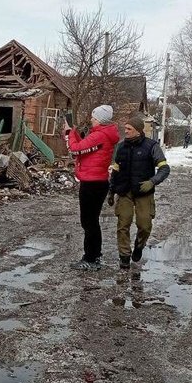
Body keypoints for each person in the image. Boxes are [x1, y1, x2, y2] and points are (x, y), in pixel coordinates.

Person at [108, 114, 170, 270]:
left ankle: (139, 246)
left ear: (138, 130)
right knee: (123, 224)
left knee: (144, 225)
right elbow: (115, 170)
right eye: (125, 128)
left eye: (129, 129)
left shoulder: (151, 146)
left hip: (144, 192)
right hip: (124, 192)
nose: (126, 131)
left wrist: (152, 182)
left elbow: (164, 168)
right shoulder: (121, 146)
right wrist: (111, 191)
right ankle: (124, 256)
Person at [64, 105, 121, 271]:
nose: (91, 120)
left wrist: (68, 134)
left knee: (88, 222)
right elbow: (83, 147)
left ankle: (90, 258)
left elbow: (75, 150)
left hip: (92, 183)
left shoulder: (99, 136)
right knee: (92, 222)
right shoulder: (105, 135)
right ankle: (94, 255)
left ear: (100, 120)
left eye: (93, 118)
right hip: (98, 181)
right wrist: (73, 132)